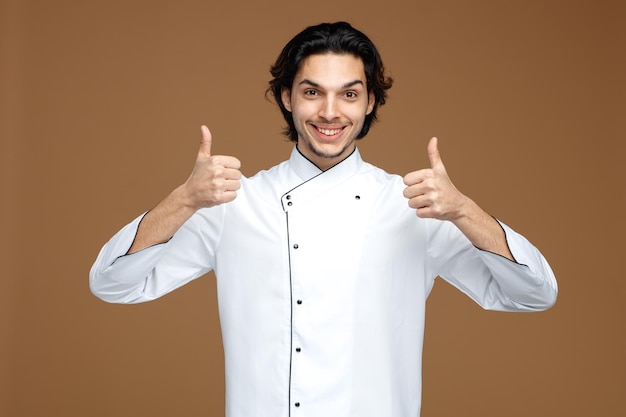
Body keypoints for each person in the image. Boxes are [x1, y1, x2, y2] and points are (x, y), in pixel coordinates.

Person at [90, 21, 557, 417]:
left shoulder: (414, 205)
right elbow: (112, 284)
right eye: (313, 92)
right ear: (288, 98)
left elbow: (535, 294)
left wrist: (464, 210)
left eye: (349, 94)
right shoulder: (235, 203)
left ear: (370, 101)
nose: (330, 112)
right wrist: (184, 199)